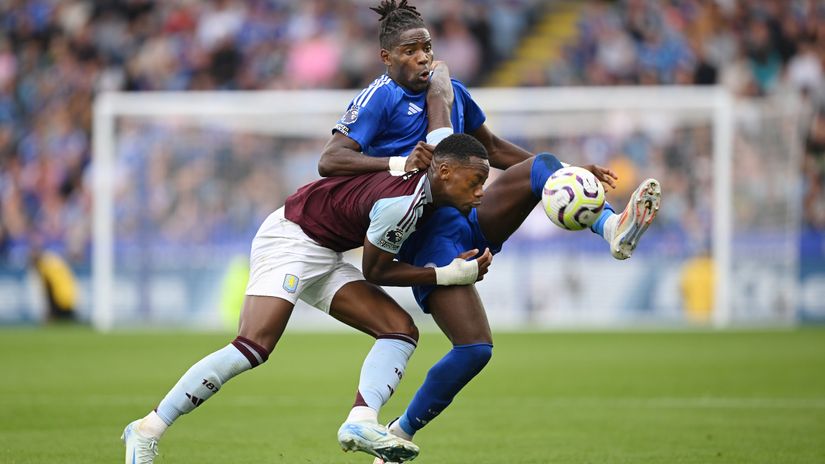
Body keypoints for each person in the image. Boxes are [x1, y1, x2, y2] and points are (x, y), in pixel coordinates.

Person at [315, 1, 661, 461]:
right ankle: (399, 431)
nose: (422, 57)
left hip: (470, 211)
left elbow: (492, 147)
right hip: (426, 240)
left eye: (427, 48)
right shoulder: (380, 98)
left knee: (543, 166)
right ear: (387, 57)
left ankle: (612, 228)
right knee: (475, 349)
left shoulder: (452, 91)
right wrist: (397, 164)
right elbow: (330, 160)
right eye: (410, 50)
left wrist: (567, 175)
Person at [122, 133, 495, 464]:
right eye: (476, 181)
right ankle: (146, 429)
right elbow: (376, 271)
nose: (480, 191)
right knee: (253, 346)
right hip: (291, 238)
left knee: (399, 330)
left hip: (326, 250)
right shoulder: (405, 201)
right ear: (444, 171)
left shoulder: (423, 188)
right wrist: (446, 274)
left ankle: (362, 422)